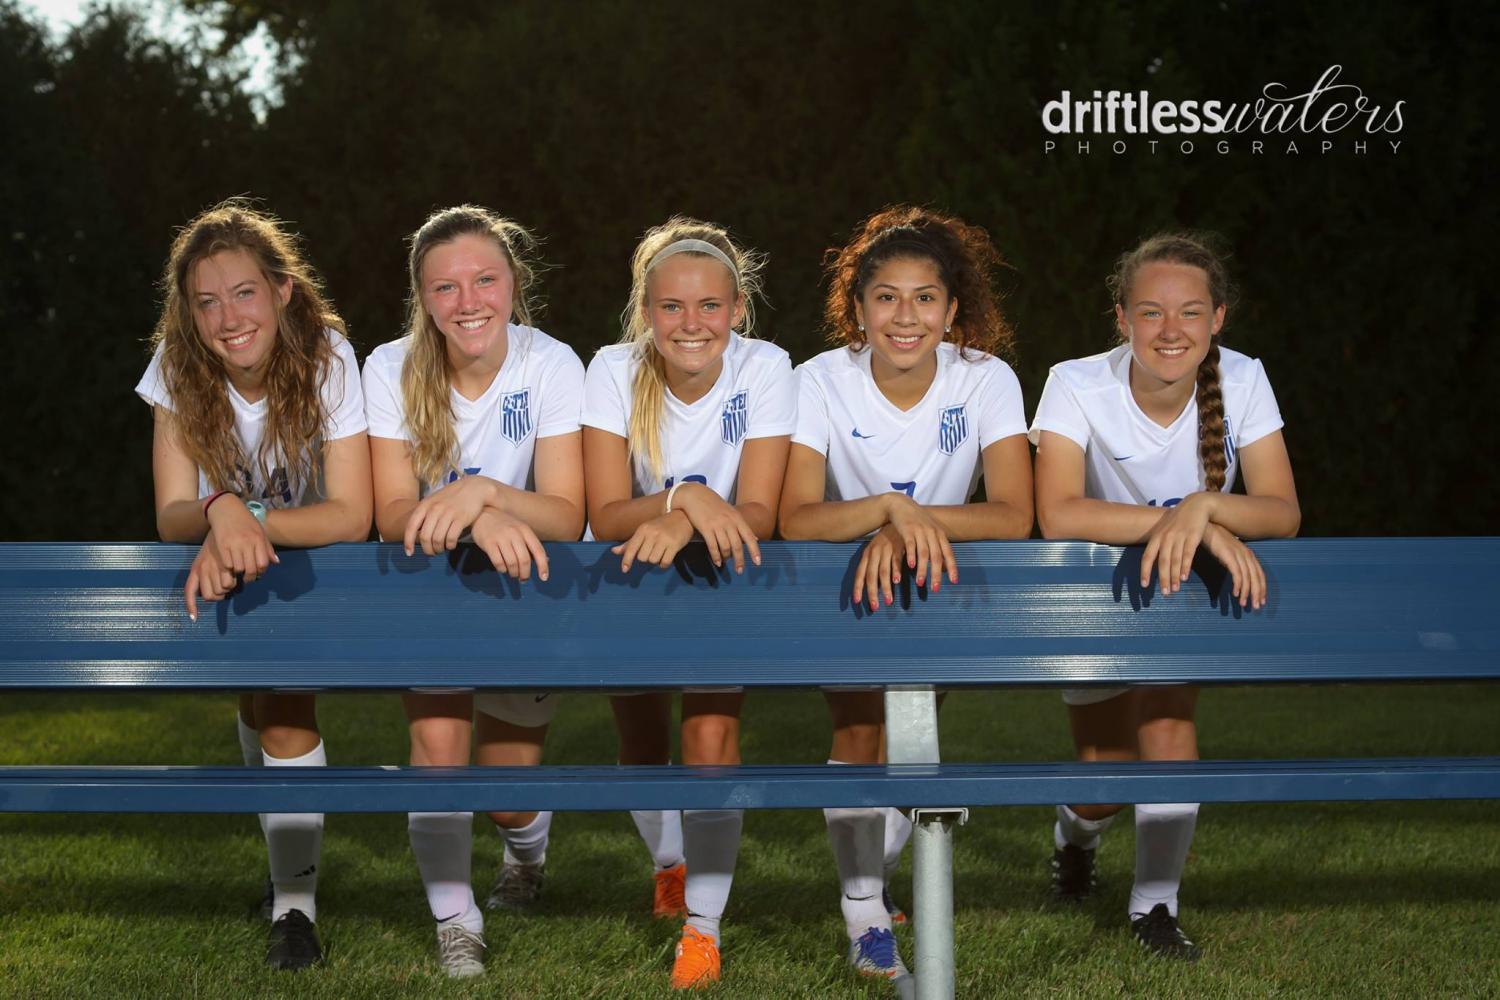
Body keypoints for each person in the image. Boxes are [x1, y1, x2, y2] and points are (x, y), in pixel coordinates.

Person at [778, 205, 1033, 987]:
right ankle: (864, 915)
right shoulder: (818, 380)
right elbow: (796, 516)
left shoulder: (986, 379)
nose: (905, 316)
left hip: (942, 580)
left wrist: (912, 523)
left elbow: (1014, 514)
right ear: (856, 308)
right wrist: (888, 512)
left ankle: (873, 873)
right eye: (885, 297)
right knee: (860, 735)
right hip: (852, 584)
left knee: (909, 744)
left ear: (954, 310)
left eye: (926, 298)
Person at [1030, 232, 1300, 959]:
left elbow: (1281, 509)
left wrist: (1203, 511)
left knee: (1172, 731)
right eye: (1150, 312)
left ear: (1219, 318)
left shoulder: (1243, 379)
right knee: (1105, 776)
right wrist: (1182, 515)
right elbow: (1057, 511)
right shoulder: (1075, 381)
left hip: (1183, 585)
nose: (1170, 330)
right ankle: (1075, 837)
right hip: (1097, 587)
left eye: (1189, 313)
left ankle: (1155, 906)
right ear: (1121, 319)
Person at [137, 199, 372, 970]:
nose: (226, 316)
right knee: (253, 699)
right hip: (228, 553)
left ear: (283, 292)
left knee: (282, 702)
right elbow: (174, 512)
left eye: (243, 292)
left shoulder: (327, 356)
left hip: (308, 558)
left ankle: (296, 910)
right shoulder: (178, 365)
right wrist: (221, 507)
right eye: (206, 301)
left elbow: (350, 513)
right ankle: (285, 878)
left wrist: (251, 519)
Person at [362, 205, 585, 978]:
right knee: (438, 755)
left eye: (485, 279)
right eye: (446, 287)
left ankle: (528, 850)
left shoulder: (552, 363)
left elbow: (565, 513)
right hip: (431, 584)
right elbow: (391, 515)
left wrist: (483, 495)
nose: (469, 302)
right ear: (422, 298)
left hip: (527, 585)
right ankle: (457, 921)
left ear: (514, 283)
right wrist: (471, 523)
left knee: (504, 792)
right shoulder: (389, 367)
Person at [582, 217, 792, 989]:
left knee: (710, 741)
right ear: (645, 311)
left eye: (709, 306)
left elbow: (761, 515)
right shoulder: (611, 369)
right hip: (631, 569)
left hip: (718, 574)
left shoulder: (767, 367)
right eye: (671, 307)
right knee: (640, 743)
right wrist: (682, 498)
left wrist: (687, 515)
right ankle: (670, 867)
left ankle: (702, 932)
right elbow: (606, 514)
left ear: (737, 308)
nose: (690, 323)